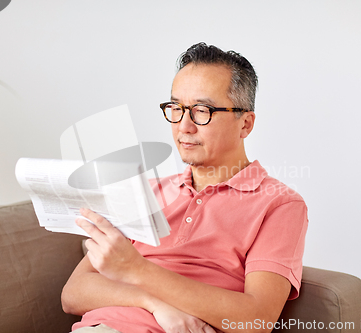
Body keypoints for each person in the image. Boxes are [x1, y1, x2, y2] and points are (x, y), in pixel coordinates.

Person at [61, 42, 308, 333]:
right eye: (176, 108)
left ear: (245, 124)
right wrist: (155, 305)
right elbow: (73, 293)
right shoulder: (146, 192)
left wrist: (137, 270)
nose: (184, 126)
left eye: (202, 111)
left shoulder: (279, 205)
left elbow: (256, 319)